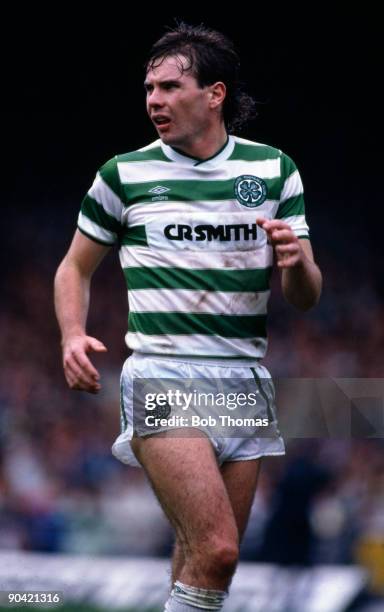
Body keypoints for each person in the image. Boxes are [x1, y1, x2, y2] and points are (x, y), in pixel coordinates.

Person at [54, 22, 322, 612]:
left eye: (171, 86)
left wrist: (297, 261)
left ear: (215, 94)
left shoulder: (274, 171)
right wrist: (73, 334)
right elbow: (73, 268)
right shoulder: (123, 175)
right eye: (149, 88)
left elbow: (305, 295)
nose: (154, 100)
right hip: (164, 374)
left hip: (244, 381)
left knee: (202, 562)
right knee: (219, 549)